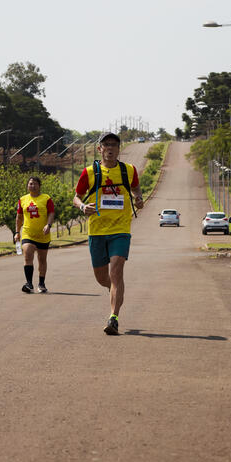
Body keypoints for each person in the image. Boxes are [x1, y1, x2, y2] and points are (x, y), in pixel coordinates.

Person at [73, 132, 144, 335]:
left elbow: (136, 189)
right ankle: (114, 289)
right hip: (96, 231)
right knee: (103, 278)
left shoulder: (129, 170)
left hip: (120, 229)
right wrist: (82, 206)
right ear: (99, 149)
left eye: (114, 145)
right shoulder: (89, 172)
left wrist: (138, 198)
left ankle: (113, 318)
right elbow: (76, 197)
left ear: (119, 149)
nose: (110, 148)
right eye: (106, 145)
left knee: (116, 272)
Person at [15, 176, 55, 294]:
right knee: (28, 255)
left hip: (43, 235)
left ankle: (41, 284)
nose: (32, 186)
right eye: (30, 184)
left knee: (42, 260)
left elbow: (51, 213)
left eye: (35, 184)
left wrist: (48, 225)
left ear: (39, 186)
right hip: (28, 233)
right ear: (27, 186)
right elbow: (19, 217)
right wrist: (17, 232)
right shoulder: (22, 200)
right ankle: (29, 284)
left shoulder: (46, 198)